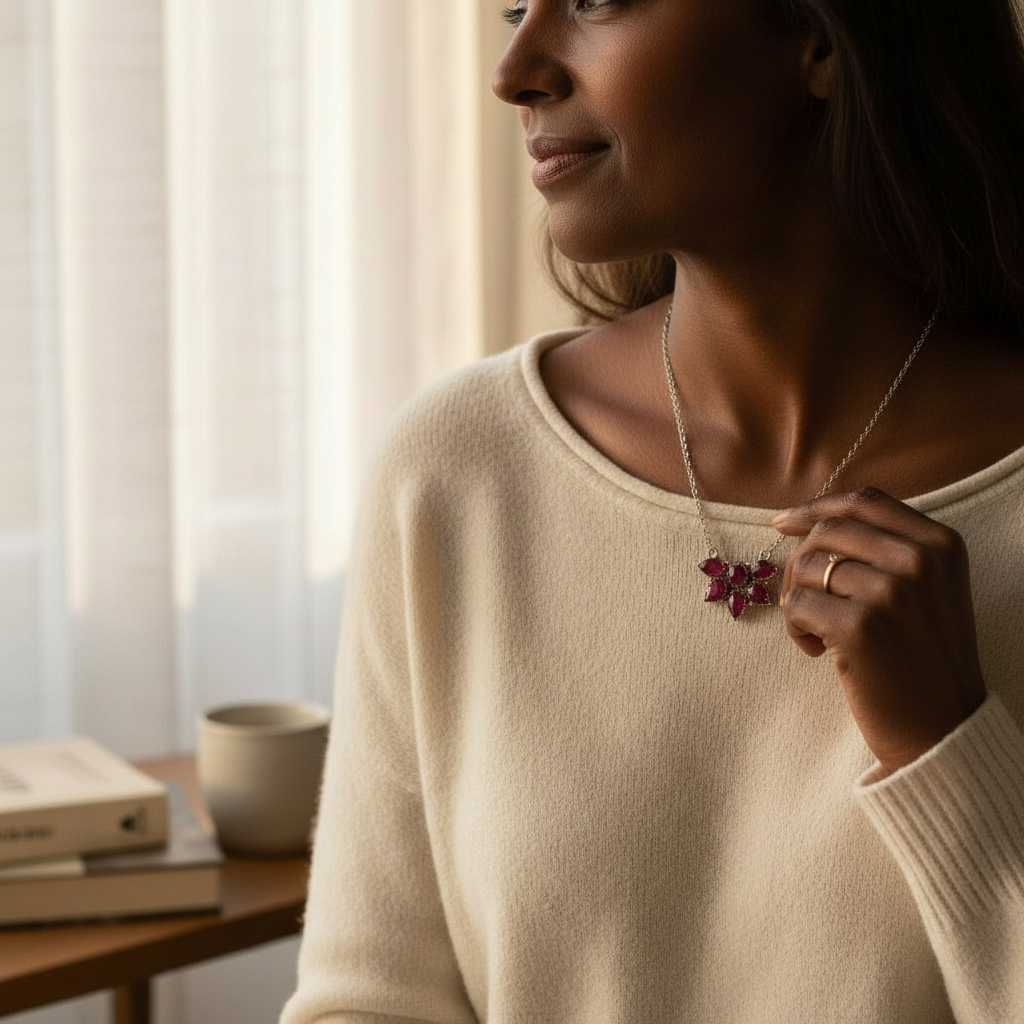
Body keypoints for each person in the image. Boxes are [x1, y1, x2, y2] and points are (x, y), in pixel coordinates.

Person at [280, 1, 1024, 1021]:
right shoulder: (456, 472)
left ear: (818, 38)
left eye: (592, 2)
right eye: (514, 9)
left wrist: (947, 747)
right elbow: (367, 1002)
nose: (514, 70)